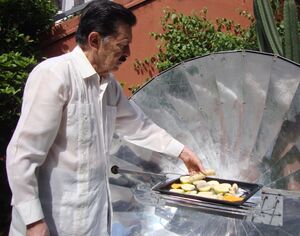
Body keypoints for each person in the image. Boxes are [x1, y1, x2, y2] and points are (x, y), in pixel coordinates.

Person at [6, 1, 205, 235]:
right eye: (123, 45)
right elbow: (22, 155)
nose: (128, 54)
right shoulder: (55, 75)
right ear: (94, 40)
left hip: (93, 221)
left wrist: (183, 152)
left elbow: (139, 126)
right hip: (53, 221)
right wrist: (33, 221)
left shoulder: (109, 86)